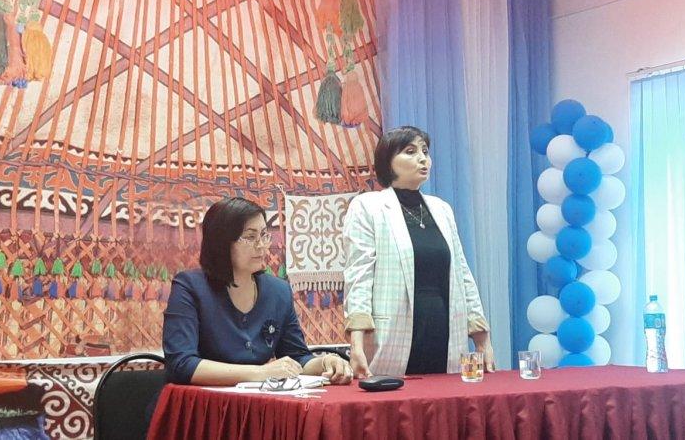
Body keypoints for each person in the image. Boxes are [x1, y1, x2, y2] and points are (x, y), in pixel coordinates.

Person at [343, 126, 494, 377]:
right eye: (410, 151)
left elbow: (463, 274)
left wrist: (482, 339)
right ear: (388, 161)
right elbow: (359, 277)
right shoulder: (368, 206)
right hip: (392, 338)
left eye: (425, 151)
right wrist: (356, 344)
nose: (423, 159)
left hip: (446, 334)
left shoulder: (442, 209)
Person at [163, 197, 352, 386]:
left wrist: (325, 362)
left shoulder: (278, 291)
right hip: (201, 401)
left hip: (255, 401)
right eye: (250, 237)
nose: (261, 245)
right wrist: (260, 372)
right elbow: (181, 364)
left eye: (264, 235)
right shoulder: (190, 287)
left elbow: (297, 357)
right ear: (221, 243)